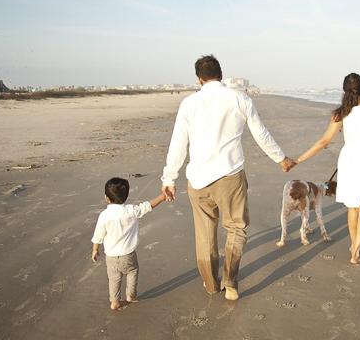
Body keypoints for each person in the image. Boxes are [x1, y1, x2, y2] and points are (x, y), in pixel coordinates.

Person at [161, 55, 295, 301]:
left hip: (198, 180)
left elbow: (178, 144)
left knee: (204, 235)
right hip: (230, 177)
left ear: (199, 79)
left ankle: (211, 284)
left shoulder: (189, 103)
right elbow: (260, 133)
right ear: (221, 75)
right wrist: (281, 159)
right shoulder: (240, 98)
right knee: (236, 228)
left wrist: (169, 178)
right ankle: (230, 282)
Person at [293, 73, 360, 264]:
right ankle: (356, 253)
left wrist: (298, 160)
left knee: (353, 208)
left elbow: (324, 141)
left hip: (349, 159)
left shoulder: (340, 113)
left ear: (344, 90)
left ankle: (354, 246)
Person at [91, 177, 166, 310]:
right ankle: (130, 295)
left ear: (106, 198)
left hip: (111, 256)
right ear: (126, 196)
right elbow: (149, 206)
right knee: (132, 271)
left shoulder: (104, 215)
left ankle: (115, 301)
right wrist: (163, 196)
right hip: (128, 254)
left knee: (114, 278)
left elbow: (98, 234)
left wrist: (95, 249)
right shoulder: (132, 210)